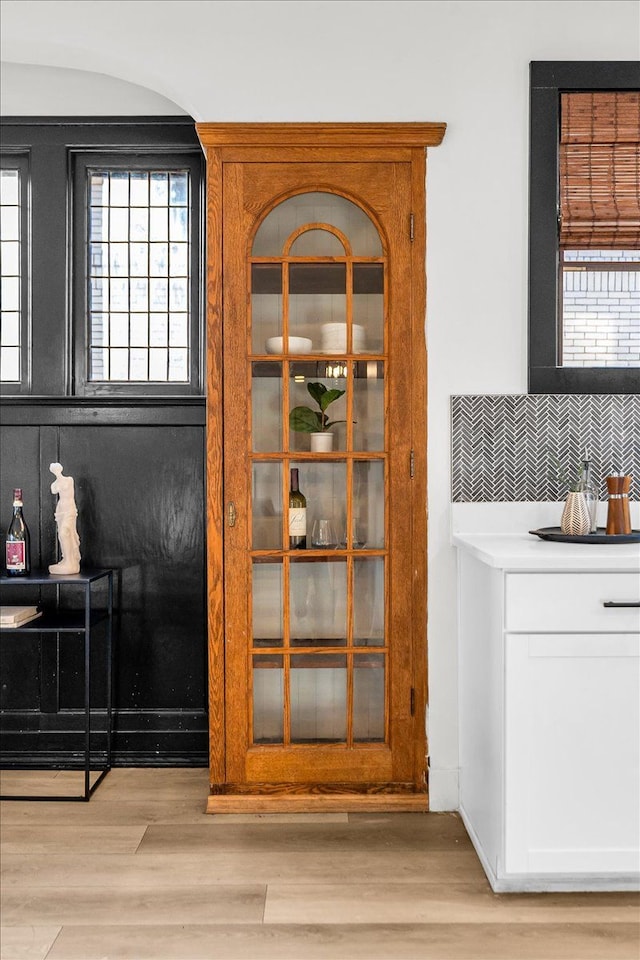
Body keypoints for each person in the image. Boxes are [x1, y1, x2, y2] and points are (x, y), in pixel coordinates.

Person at [49, 462, 81, 575]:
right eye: (54, 470)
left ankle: (70, 560)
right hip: (60, 510)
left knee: (66, 532)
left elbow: (64, 486)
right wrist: (57, 482)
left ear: (61, 469)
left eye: (57, 469)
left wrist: (59, 483)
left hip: (69, 509)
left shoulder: (69, 479)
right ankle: (66, 559)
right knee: (61, 536)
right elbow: (53, 490)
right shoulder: (54, 484)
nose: (56, 471)